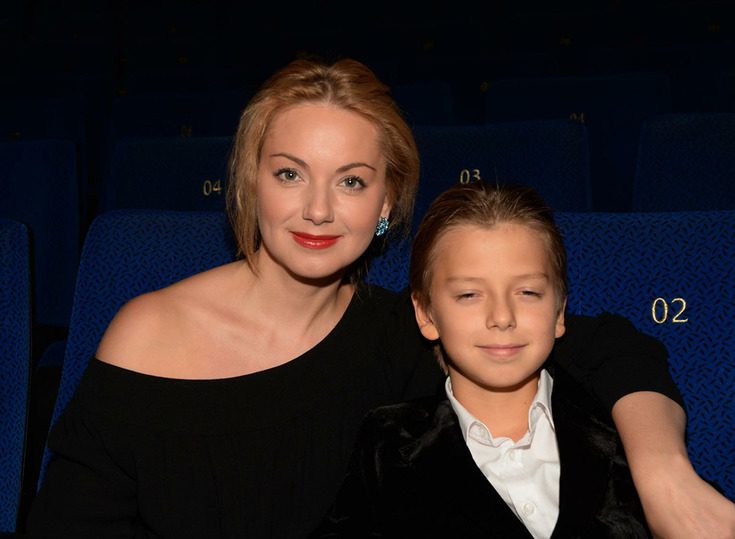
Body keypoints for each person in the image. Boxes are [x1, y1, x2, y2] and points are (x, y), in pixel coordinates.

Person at [26, 56, 735, 539]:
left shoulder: (404, 334)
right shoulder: (150, 331)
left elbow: (610, 347)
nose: (318, 209)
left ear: (387, 203)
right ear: (249, 183)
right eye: (289, 173)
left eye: (352, 181)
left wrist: (663, 474)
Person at [313, 182, 653, 537]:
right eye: (469, 294)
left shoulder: (622, 424)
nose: (502, 316)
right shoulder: (386, 447)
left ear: (558, 311)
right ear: (426, 314)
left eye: (528, 292)